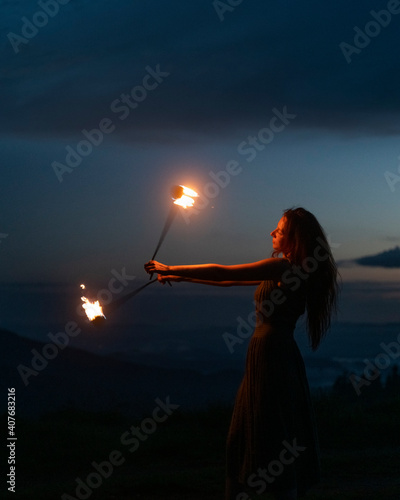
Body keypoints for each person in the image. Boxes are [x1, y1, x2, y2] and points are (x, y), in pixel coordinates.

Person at [144, 207, 340, 500]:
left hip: (273, 356)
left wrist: (172, 268)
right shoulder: (285, 271)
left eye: (280, 230)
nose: (272, 233)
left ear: (294, 239)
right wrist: (183, 278)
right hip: (269, 354)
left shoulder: (286, 270)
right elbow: (228, 280)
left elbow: (225, 270)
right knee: (249, 429)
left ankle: (273, 490)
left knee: (268, 430)